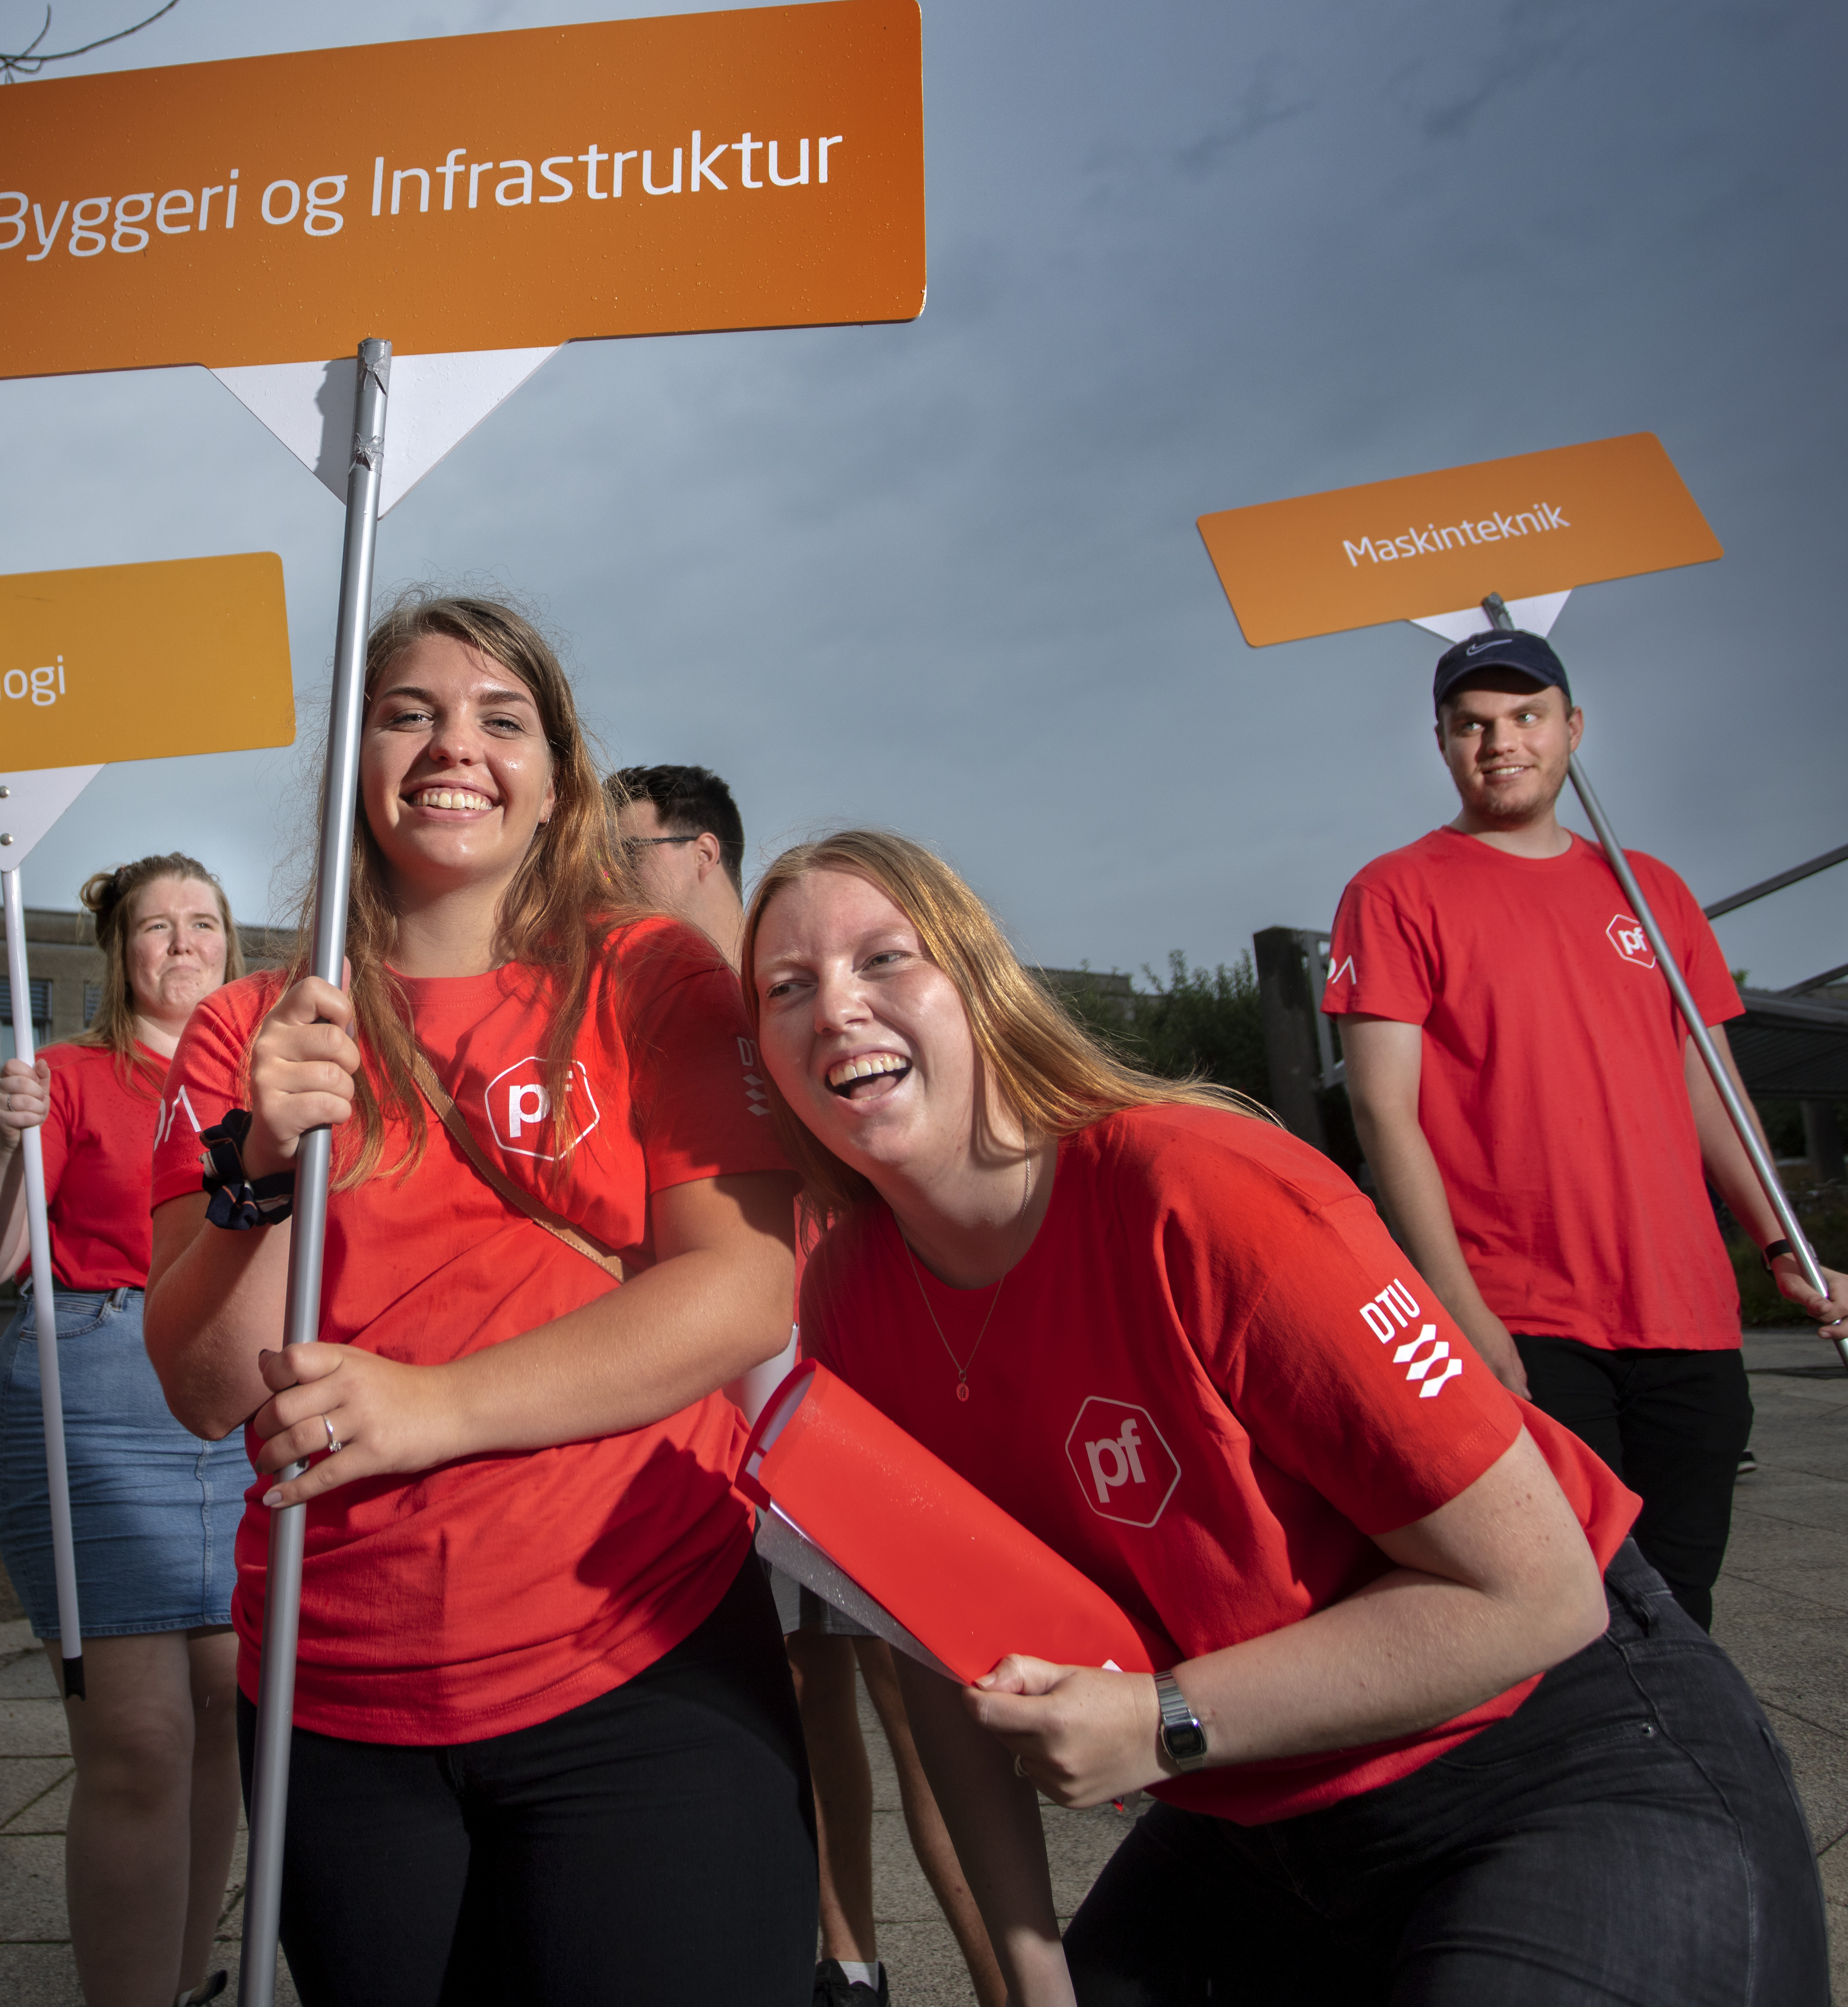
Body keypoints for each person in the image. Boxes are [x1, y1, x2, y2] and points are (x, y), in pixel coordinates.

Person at [745, 827, 1823, 2003]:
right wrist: (1033, 1984)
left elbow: (1540, 1588)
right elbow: (952, 1671)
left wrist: (1164, 1717)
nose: (834, 1008)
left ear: (980, 983)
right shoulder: (845, 1299)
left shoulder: (1203, 1191)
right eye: (786, 987)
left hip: (1551, 1751)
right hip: (1263, 1818)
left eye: (883, 959)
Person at [143, 595, 815, 2005]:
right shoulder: (250, 1023)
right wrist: (259, 1166)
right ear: (359, 761)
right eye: (410, 711)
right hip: (334, 1686)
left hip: (638, 1654)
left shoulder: (647, 973)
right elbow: (203, 1386)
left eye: (500, 717)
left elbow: (745, 1284)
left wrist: (431, 1405)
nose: (455, 743)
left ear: (556, 776)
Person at [1327, 628, 1843, 1636]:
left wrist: (1785, 1246)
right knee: (1572, 1615)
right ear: (1440, 743)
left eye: (1525, 716)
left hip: (1686, 1310)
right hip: (1523, 1314)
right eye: (1471, 724)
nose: (1500, 742)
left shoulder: (1652, 892)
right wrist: (1458, 1310)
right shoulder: (1394, 892)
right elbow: (1383, 1112)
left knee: (1681, 1605)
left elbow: (1716, 1097)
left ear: (1572, 729)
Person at [609, 763, 998, 2007]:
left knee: (925, 1692)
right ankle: (850, 1962)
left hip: (864, 1368)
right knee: (797, 1684)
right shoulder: (633, 1011)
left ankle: (1009, 1972)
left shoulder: (797, 993)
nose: (603, 881)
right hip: (732, 1392)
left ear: (701, 850)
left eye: (624, 853)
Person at [0, 855, 255, 2007]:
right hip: (99, 1402)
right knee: (140, 1734)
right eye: (156, 926)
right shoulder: (61, 1079)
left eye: (203, 921)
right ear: (117, 953)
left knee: (223, 1714)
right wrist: (6, 1143)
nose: (182, 944)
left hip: (232, 1394)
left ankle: (182, 1980)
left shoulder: (258, 1079)